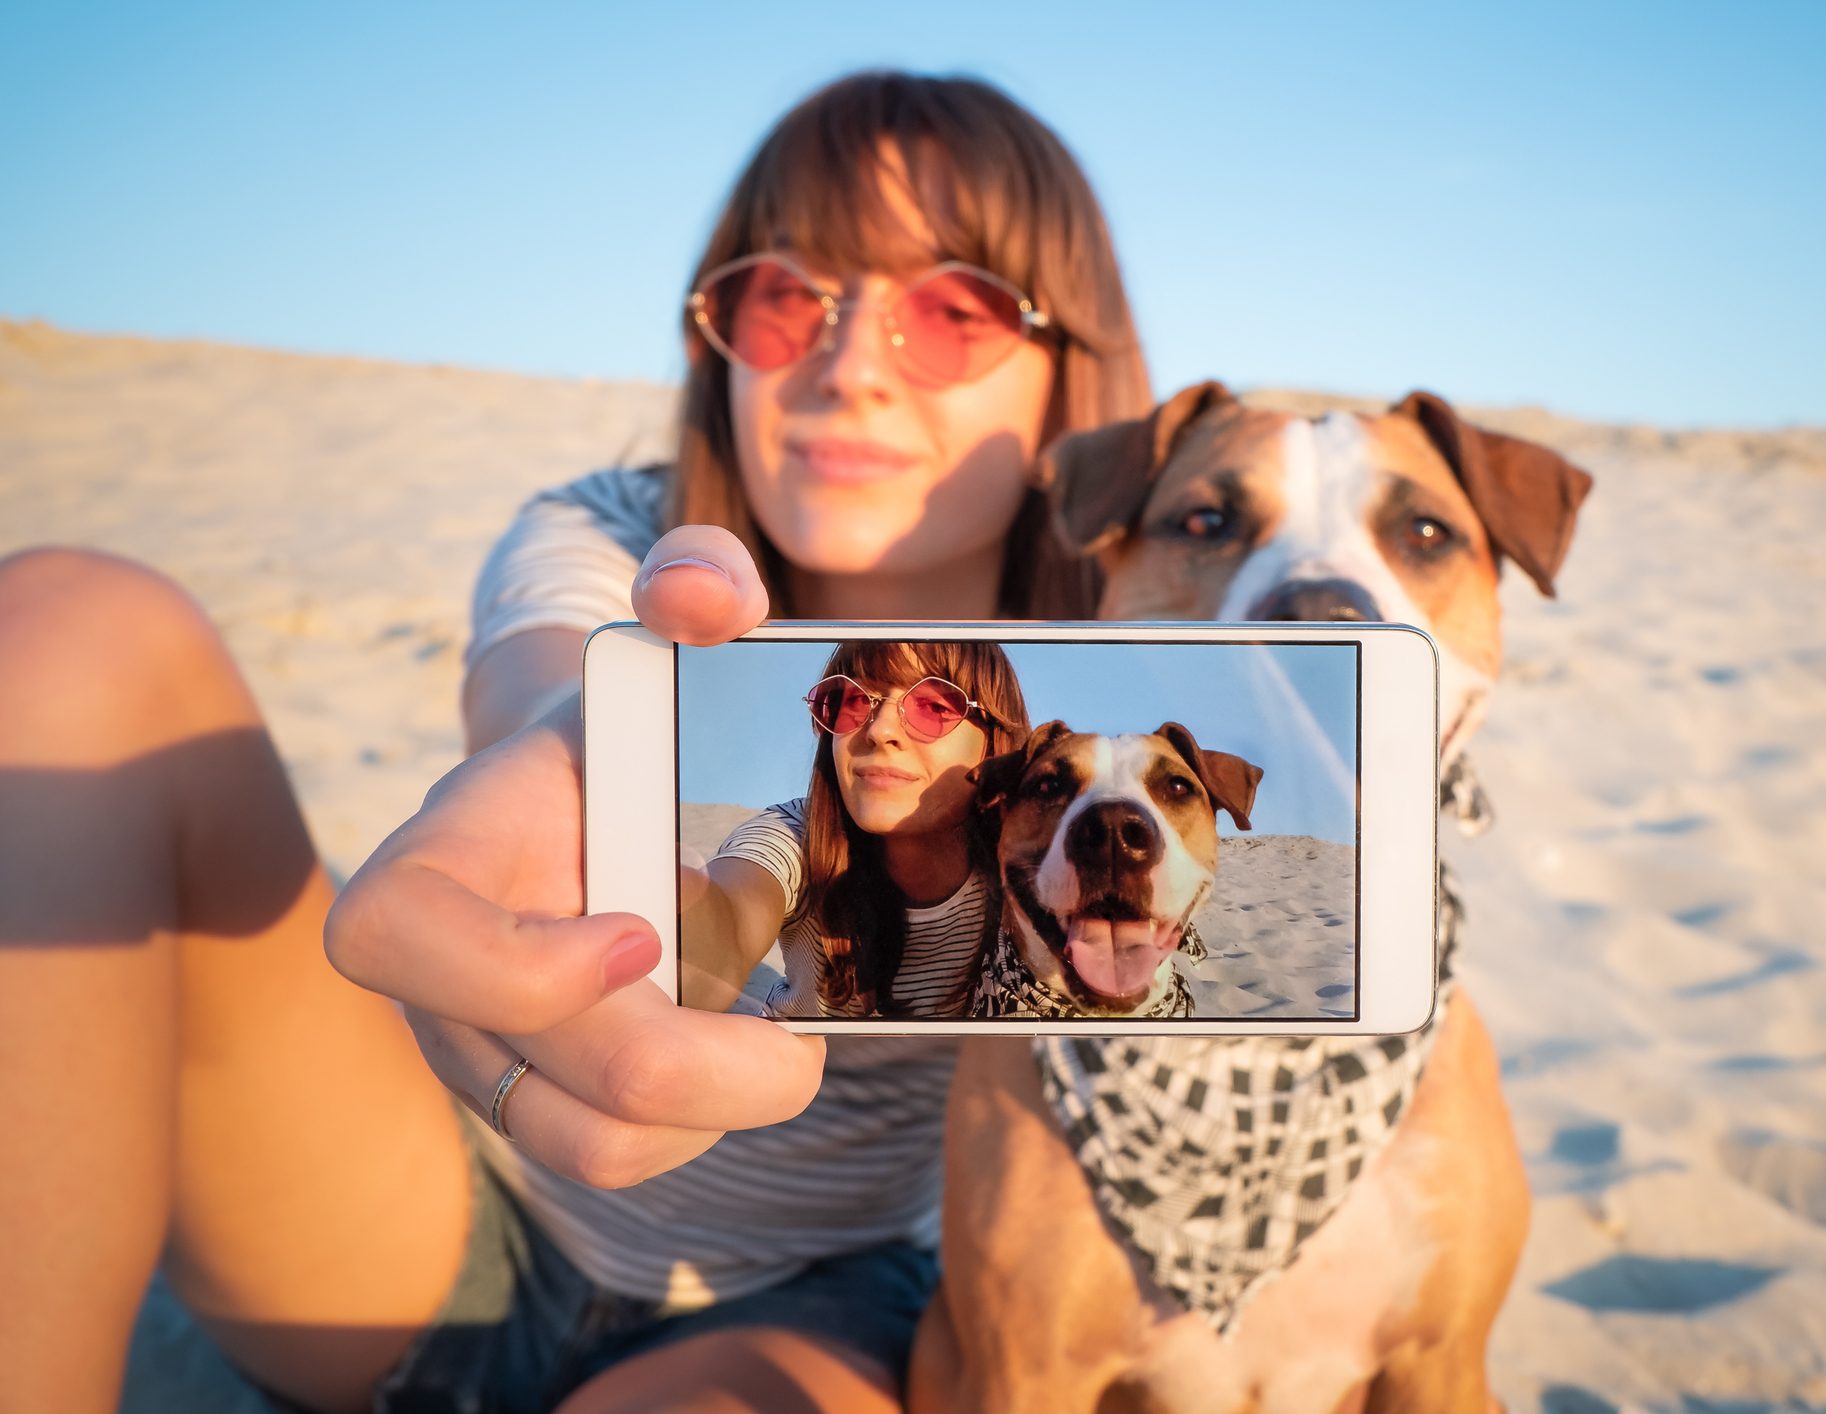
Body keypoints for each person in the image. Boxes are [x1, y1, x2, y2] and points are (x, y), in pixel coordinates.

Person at [0, 69, 1149, 1412]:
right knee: (73, 630)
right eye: (786, 298)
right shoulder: (618, 528)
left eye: (951, 312)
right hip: (429, 1201)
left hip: (803, 1295)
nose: (846, 368)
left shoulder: (1111, 682)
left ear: (1073, 364)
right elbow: (544, 674)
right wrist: (583, 748)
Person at [687, 640, 1029, 1021]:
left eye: (934, 706)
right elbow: (731, 916)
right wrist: (685, 921)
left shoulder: (1035, 869)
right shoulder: (794, 835)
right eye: (852, 700)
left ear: (995, 744)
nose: (880, 731)